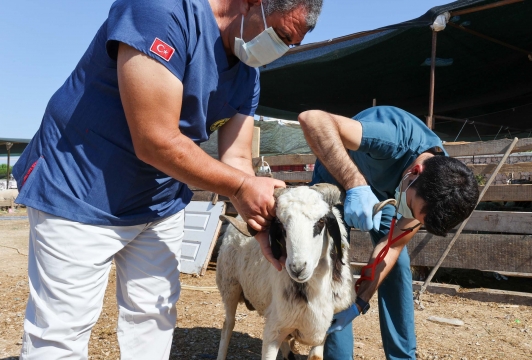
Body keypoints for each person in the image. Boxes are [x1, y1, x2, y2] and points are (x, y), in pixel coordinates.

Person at [12, 0, 322, 358]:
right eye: (281, 35)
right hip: (81, 185)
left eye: (291, 44)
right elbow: (153, 138)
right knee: (61, 331)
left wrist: (260, 220)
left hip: (158, 200)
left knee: (154, 316)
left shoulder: (246, 75)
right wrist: (240, 187)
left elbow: (236, 157)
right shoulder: (160, 12)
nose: (280, 51)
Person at [298, 106, 480, 359]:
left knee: (398, 265)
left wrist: (360, 301)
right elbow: (312, 119)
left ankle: (402, 356)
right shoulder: (393, 139)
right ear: (415, 171)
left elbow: (392, 246)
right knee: (334, 267)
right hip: (338, 176)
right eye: (413, 210)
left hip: (388, 194)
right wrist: (356, 185)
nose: (410, 218)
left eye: (417, 217)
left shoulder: (442, 184)